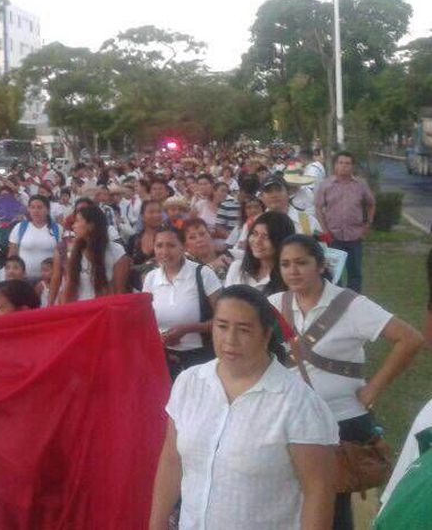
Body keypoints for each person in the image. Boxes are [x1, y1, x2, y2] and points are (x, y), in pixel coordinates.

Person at [150, 285, 338, 530]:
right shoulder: (190, 383)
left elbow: (318, 491)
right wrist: (156, 522)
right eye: (222, 326)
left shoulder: (297, 404)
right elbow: (172, 459)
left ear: (266, 334)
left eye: (244, 329)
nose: (230, 340)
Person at [271, 235, 424, 529]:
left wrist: (373, 388)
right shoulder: (275, 304)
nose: (293, 271)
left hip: (340, 420)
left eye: (302, 262)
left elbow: (410, 339)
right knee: (292, 501)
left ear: (320, 264)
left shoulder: (352, 305)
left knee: (333, 506)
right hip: (289, 420)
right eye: (286, 264)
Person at [143, 225, 222, 379]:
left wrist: (188, 329)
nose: (165, 252)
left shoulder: (203, 274)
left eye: (171, 245)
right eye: (159, 246)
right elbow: (146, 321)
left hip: (200, 358)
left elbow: (223, 320)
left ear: (183, 247)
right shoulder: (151, 278)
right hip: (163, 358)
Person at [314, 151, 376, 293]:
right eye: (341, 163)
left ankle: (354, 303)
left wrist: (368, 224)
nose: (344, 166)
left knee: (355, 273)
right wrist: (325, 230)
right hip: (333, 237)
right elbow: (318, 207)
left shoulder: (360, 185)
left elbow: (371, 203)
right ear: (335, 165)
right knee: (334, 274)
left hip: (355, 237)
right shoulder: (326, 185)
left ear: (352, 166)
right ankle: (336, 301)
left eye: (347, 163)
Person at [59, 205, 129, 303]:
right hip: (79, 311)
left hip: (104, 310)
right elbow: (68, 290)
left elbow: (119, 291)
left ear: (91, 225)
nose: (73, 226)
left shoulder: (116, 252)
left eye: (77, 221)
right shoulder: (73, 252)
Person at [225, 211, 296, 295]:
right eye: (255, 234)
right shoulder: (237, 268)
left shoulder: (289, 276)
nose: (257, 241)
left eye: (266, 236)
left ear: (280, 241)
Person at [8, 195, 63, 282]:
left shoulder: (58, 229)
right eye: (32, 207)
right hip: (23, 279)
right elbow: (12, 254)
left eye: (40, 207)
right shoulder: (19, 227)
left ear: (48, 210)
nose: (36, 211)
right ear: (28, 209)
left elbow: (62, 254)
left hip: (49, 280)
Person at [125, 200, 164, 290]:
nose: (156, 215)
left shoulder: (170, 237)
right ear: (142, 216)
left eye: (159, 212)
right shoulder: (133, 240)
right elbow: (128, 265)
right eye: (151, 212)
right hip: (138, 290)